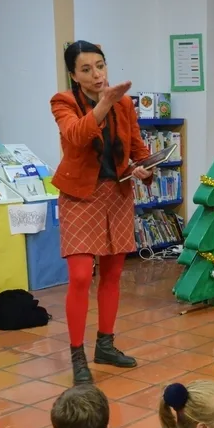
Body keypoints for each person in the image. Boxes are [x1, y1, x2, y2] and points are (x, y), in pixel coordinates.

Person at [51, 41, 155, 384]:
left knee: (112, 274)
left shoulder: (124, 104)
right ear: (74, 75)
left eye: (100, 65)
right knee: (81, 276)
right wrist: (104, 103)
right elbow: (76, 135)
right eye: (86, 69)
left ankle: (105, 345)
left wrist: (144, 167)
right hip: (80, 196)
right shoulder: (63, 102)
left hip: (116, 194)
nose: (96, 74)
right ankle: (77, 355)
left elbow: (137, 148)